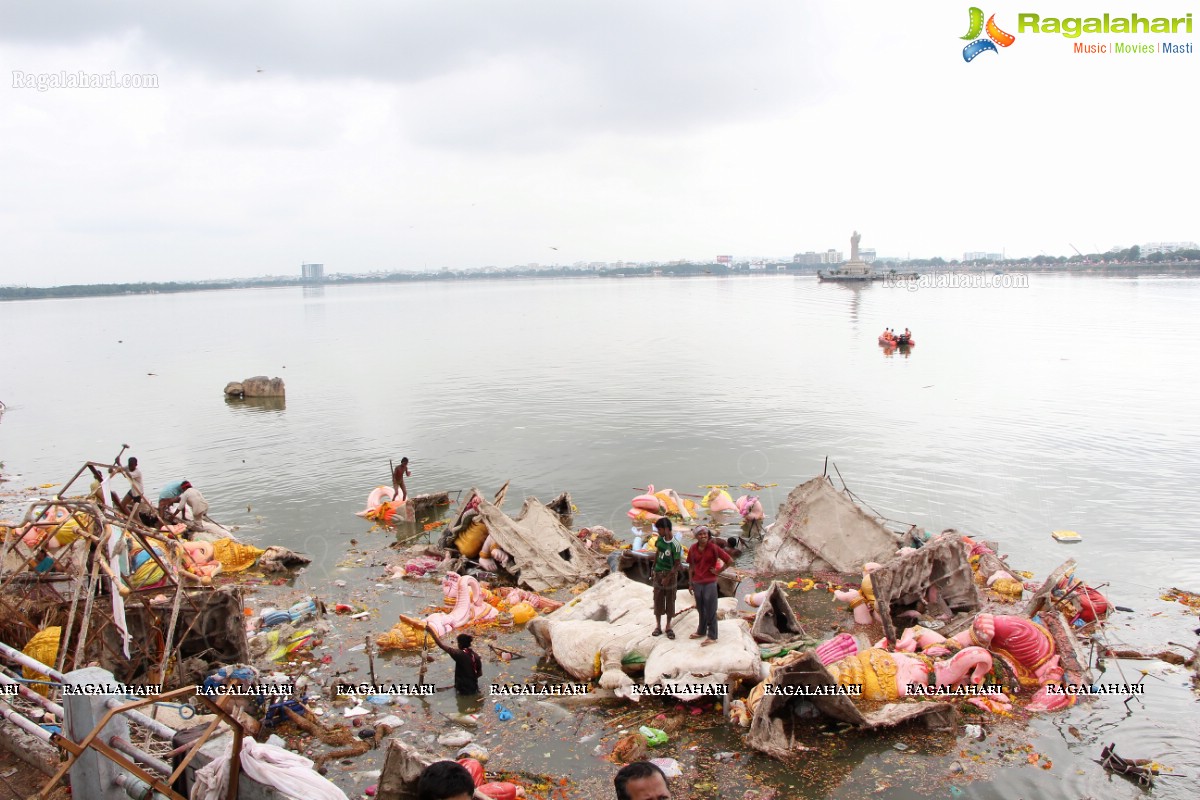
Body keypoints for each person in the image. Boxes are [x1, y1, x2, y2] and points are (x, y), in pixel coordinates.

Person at [688, 526, 733, 646]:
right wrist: (690, 582)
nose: (703, 536)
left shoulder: (713, 548)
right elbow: (691, 566)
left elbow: (729, 560)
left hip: (710, 582)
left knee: (710, 609)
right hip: (697, 582)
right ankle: (701, 631)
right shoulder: (693, 548)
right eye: (700, 534)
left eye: (705, 534)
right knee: (700, 608)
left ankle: (712, 636)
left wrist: (718, 572)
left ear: (708, 535)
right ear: (696, 537)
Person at [650, 517, 682, 639]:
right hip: (658, 573)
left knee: (670, 599)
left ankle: (668, 626)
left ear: (667, 529)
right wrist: (653, 567)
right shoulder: (660, 540)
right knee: (657, 598)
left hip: (671, 575)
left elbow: (677, 564)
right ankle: (658, 625)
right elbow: (658, 552)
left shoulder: (676, 545)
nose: (658, 532)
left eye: (660, 529)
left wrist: (668, 577)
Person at [427, 628, 482, 696]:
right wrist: (470, 680)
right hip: (473, 688)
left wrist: (431, 631)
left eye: (458, 643)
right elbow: (480, 674)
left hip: (462, 690)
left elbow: (441, 645)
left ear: (460, 644)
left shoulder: (458, 654)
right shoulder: (476, 656)